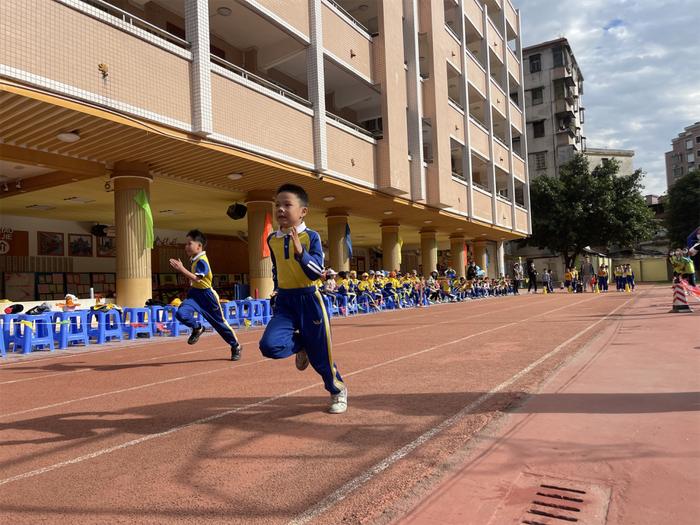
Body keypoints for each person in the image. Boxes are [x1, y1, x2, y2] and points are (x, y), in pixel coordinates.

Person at [258, 184, 347, 414]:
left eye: (287, 205)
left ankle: (337, 390)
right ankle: (302, 345)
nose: (281, 209)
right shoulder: (272, 239)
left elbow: (317, 271)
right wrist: (277, 289)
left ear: (303, 211)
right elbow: (277, 268)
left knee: (321, 355)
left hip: (310, 300)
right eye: (277, 204)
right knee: (269, 346)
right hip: (286, 301)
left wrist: (301, 253)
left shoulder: (311, 236)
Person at [170, 229, 242, 361]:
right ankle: (197, 328)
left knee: (220, 324)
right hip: (194, 295)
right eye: (186, 243)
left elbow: (198, 279)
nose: (186, 246)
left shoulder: (202, 261)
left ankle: (235, 345)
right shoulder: (194, 259)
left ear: (199, 246)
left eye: (189, 243)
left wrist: (181, 269)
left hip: (207, 296)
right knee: (181, 314)